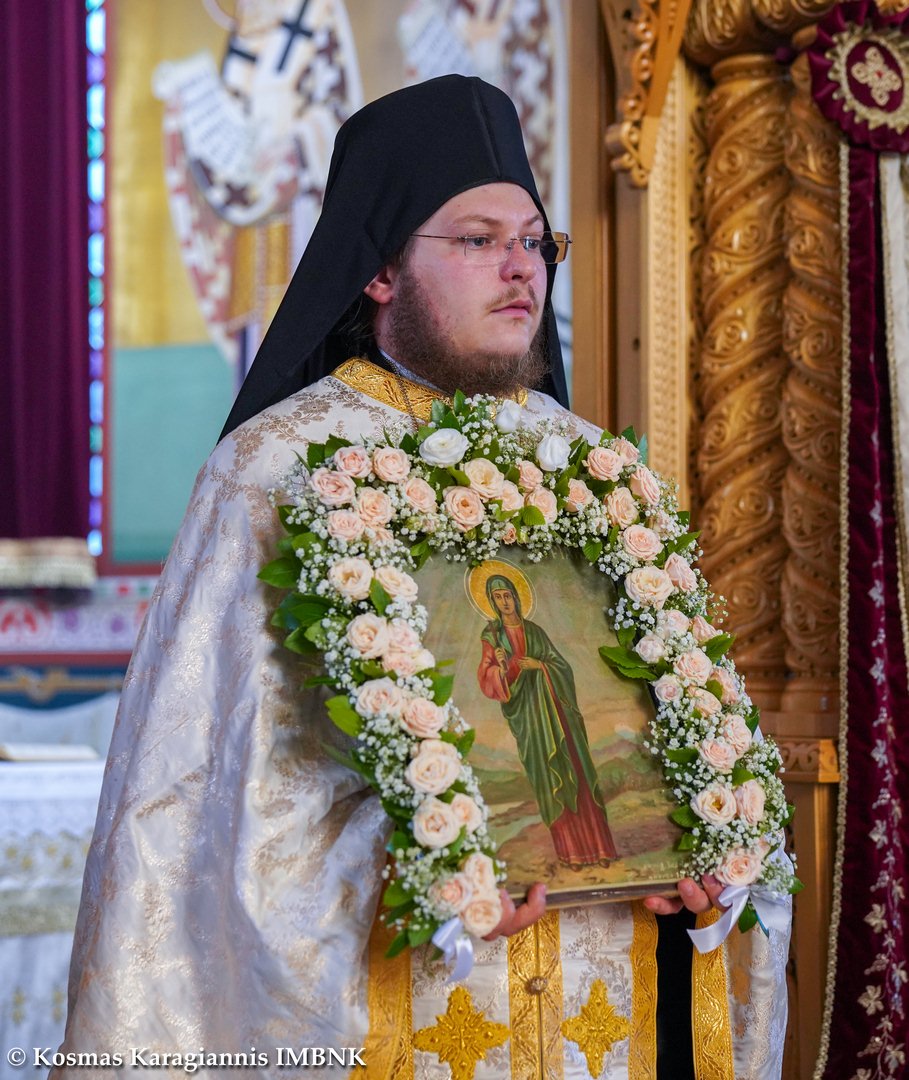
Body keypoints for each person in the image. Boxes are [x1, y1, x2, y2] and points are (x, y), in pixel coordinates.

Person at [55, 76, 789, 1079]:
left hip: (603, 1006)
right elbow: (202, 813)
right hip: (402, 1002)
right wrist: (417, 863)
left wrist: (706, 856)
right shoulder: (274, 471)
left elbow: (689, 742)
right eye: (478, 239)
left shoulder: (595, 470)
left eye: (533, 241)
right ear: (379, 268)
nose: (521, 269)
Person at [477, 573, 618, 867]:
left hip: (557, 715)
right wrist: (501, 669)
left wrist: (540, 666)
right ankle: (572, 853)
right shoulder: (492, 637)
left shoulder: (535, 632)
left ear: (516, 596)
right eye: (497, 597)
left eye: (507, 595)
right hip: (531, 721)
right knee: (551, 781)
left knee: (577, 773)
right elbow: (486, 678)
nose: (504, 602)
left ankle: (601, 849)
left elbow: (561, 666)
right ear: (492, 601)